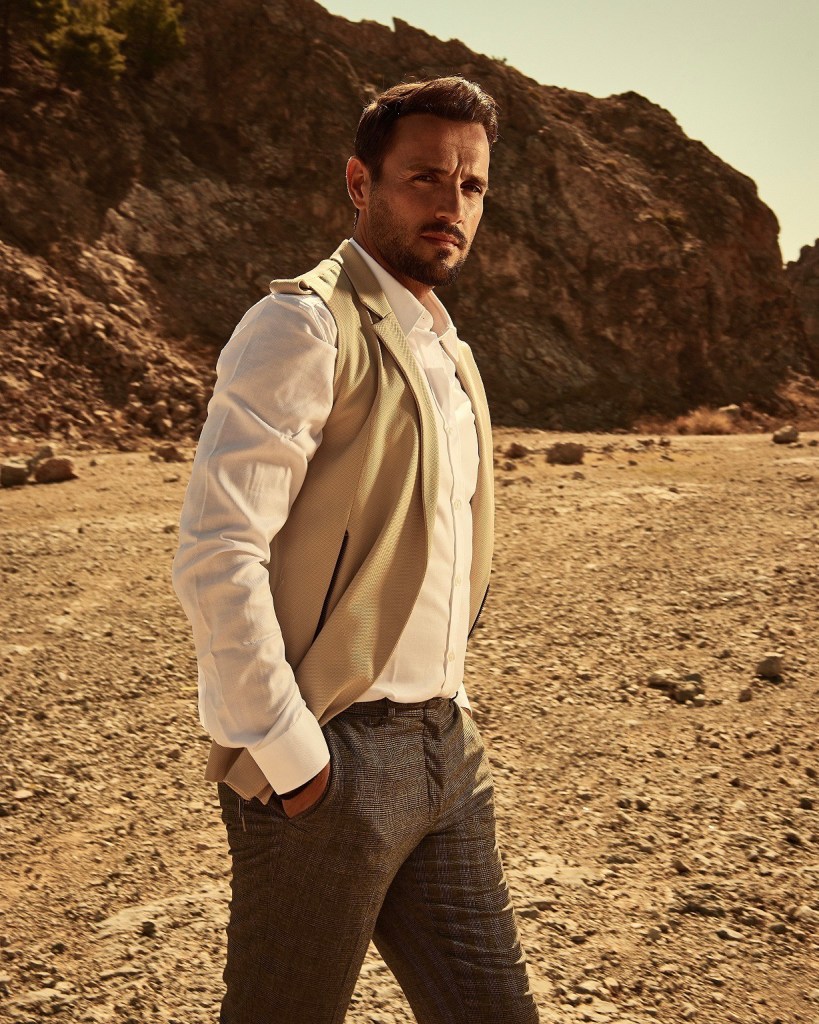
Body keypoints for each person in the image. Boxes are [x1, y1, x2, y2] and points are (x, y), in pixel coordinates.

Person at [172, 76, 540, 1024]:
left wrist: (450, 709)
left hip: (445, 751)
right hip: (331, 758)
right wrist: (296, 761)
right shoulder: (300, 325)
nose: (451, 203)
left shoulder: (449, 352)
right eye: (424, 177)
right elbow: (217, 549)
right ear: (359, 182)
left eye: (470, 185)